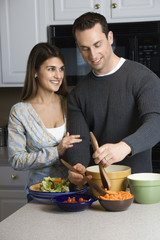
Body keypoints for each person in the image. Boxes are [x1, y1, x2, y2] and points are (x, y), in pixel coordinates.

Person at [65, 12, 160, 186]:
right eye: (85, 48)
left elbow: (156, 123)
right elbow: (79, 140)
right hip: (98, 189)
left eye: (97, 44)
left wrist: (124, 147)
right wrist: (77, 166)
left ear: (110, 37)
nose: (92, 55)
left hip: (138, 187)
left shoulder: (143, 78)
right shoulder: (77, 94)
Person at [8, 42, 82, 197]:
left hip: (74, 191)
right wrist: (56, 151)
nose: (58, 75)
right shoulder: (20, 112)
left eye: (61, 69)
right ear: (35, 72)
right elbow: (17, 160)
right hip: (40, 195)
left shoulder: (70, 103)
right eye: (51, 69)